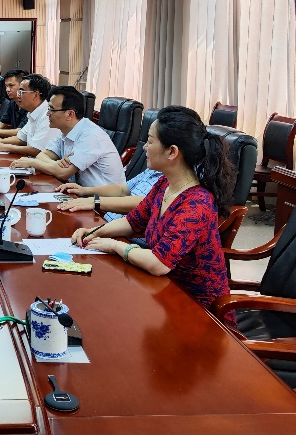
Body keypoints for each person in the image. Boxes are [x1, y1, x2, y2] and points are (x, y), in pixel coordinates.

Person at [70, 105, 236, 322]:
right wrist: (95, 232)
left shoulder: (197, 204)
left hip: (198, 312)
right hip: (162, 294)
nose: (145, 148)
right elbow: (132, 222)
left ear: (172, 152)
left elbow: (159, 264)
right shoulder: (164, 184)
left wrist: (114, 246)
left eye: (150, 141)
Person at [13, 86, 125, 187]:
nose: (47, 114)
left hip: (102, 200)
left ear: (70, 114)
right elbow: (42, 155)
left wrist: (32, 162)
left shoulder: (90, 135)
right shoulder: (65, 131)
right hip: (78, 193)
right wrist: (56, 165)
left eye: (51, 109)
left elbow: (63, 173)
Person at [0, 73, 58, 156]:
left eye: (21, 92)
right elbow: (20, 139)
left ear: (35, 95)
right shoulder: (33, 112)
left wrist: (5, 147)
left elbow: (37, 149)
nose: (18, 95)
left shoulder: (48, 115)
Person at [56, 167, 163, 220]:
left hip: (127, 241)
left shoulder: (170, 182)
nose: (144, 147)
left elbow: (146, 203)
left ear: (170, 151)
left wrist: (95, 202)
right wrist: (85, 190)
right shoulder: (152, 170)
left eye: (150, 142)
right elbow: (122, 190)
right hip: (107, 225)